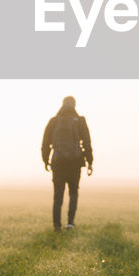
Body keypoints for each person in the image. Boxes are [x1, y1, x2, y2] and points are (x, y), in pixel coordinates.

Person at [41, 95, 93, 230]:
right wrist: (90, 161)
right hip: (75, 162)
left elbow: (45, 143)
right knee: (73, 192)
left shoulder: (54, 121)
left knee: (58, 195)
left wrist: (45, 160)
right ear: (74, 105)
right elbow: (87, 142)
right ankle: (70, 222)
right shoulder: (80, 121)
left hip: (58, 162)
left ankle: (56, 225)